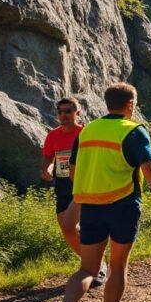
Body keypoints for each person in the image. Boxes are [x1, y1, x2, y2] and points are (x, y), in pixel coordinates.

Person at [43, 83, 151, 302]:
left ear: (106, 102)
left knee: (87, 267)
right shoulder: (133, 130)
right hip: (122, 205)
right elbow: (148, 166)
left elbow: (73, 171)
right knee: (117, 265)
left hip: (91, 205)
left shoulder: (87, 131)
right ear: (130, 104)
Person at [40, 97, 108, 287]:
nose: (64, 115)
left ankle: (95, 267)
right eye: (61, 112)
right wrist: (48, 169)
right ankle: (97, 263)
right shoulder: (52, 135)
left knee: (83, 228)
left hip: (86, 187)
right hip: (63, 188)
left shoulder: (85, 133)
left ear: (77, 113)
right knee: (68, 230)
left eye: (68, 111)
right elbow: (48, 156)